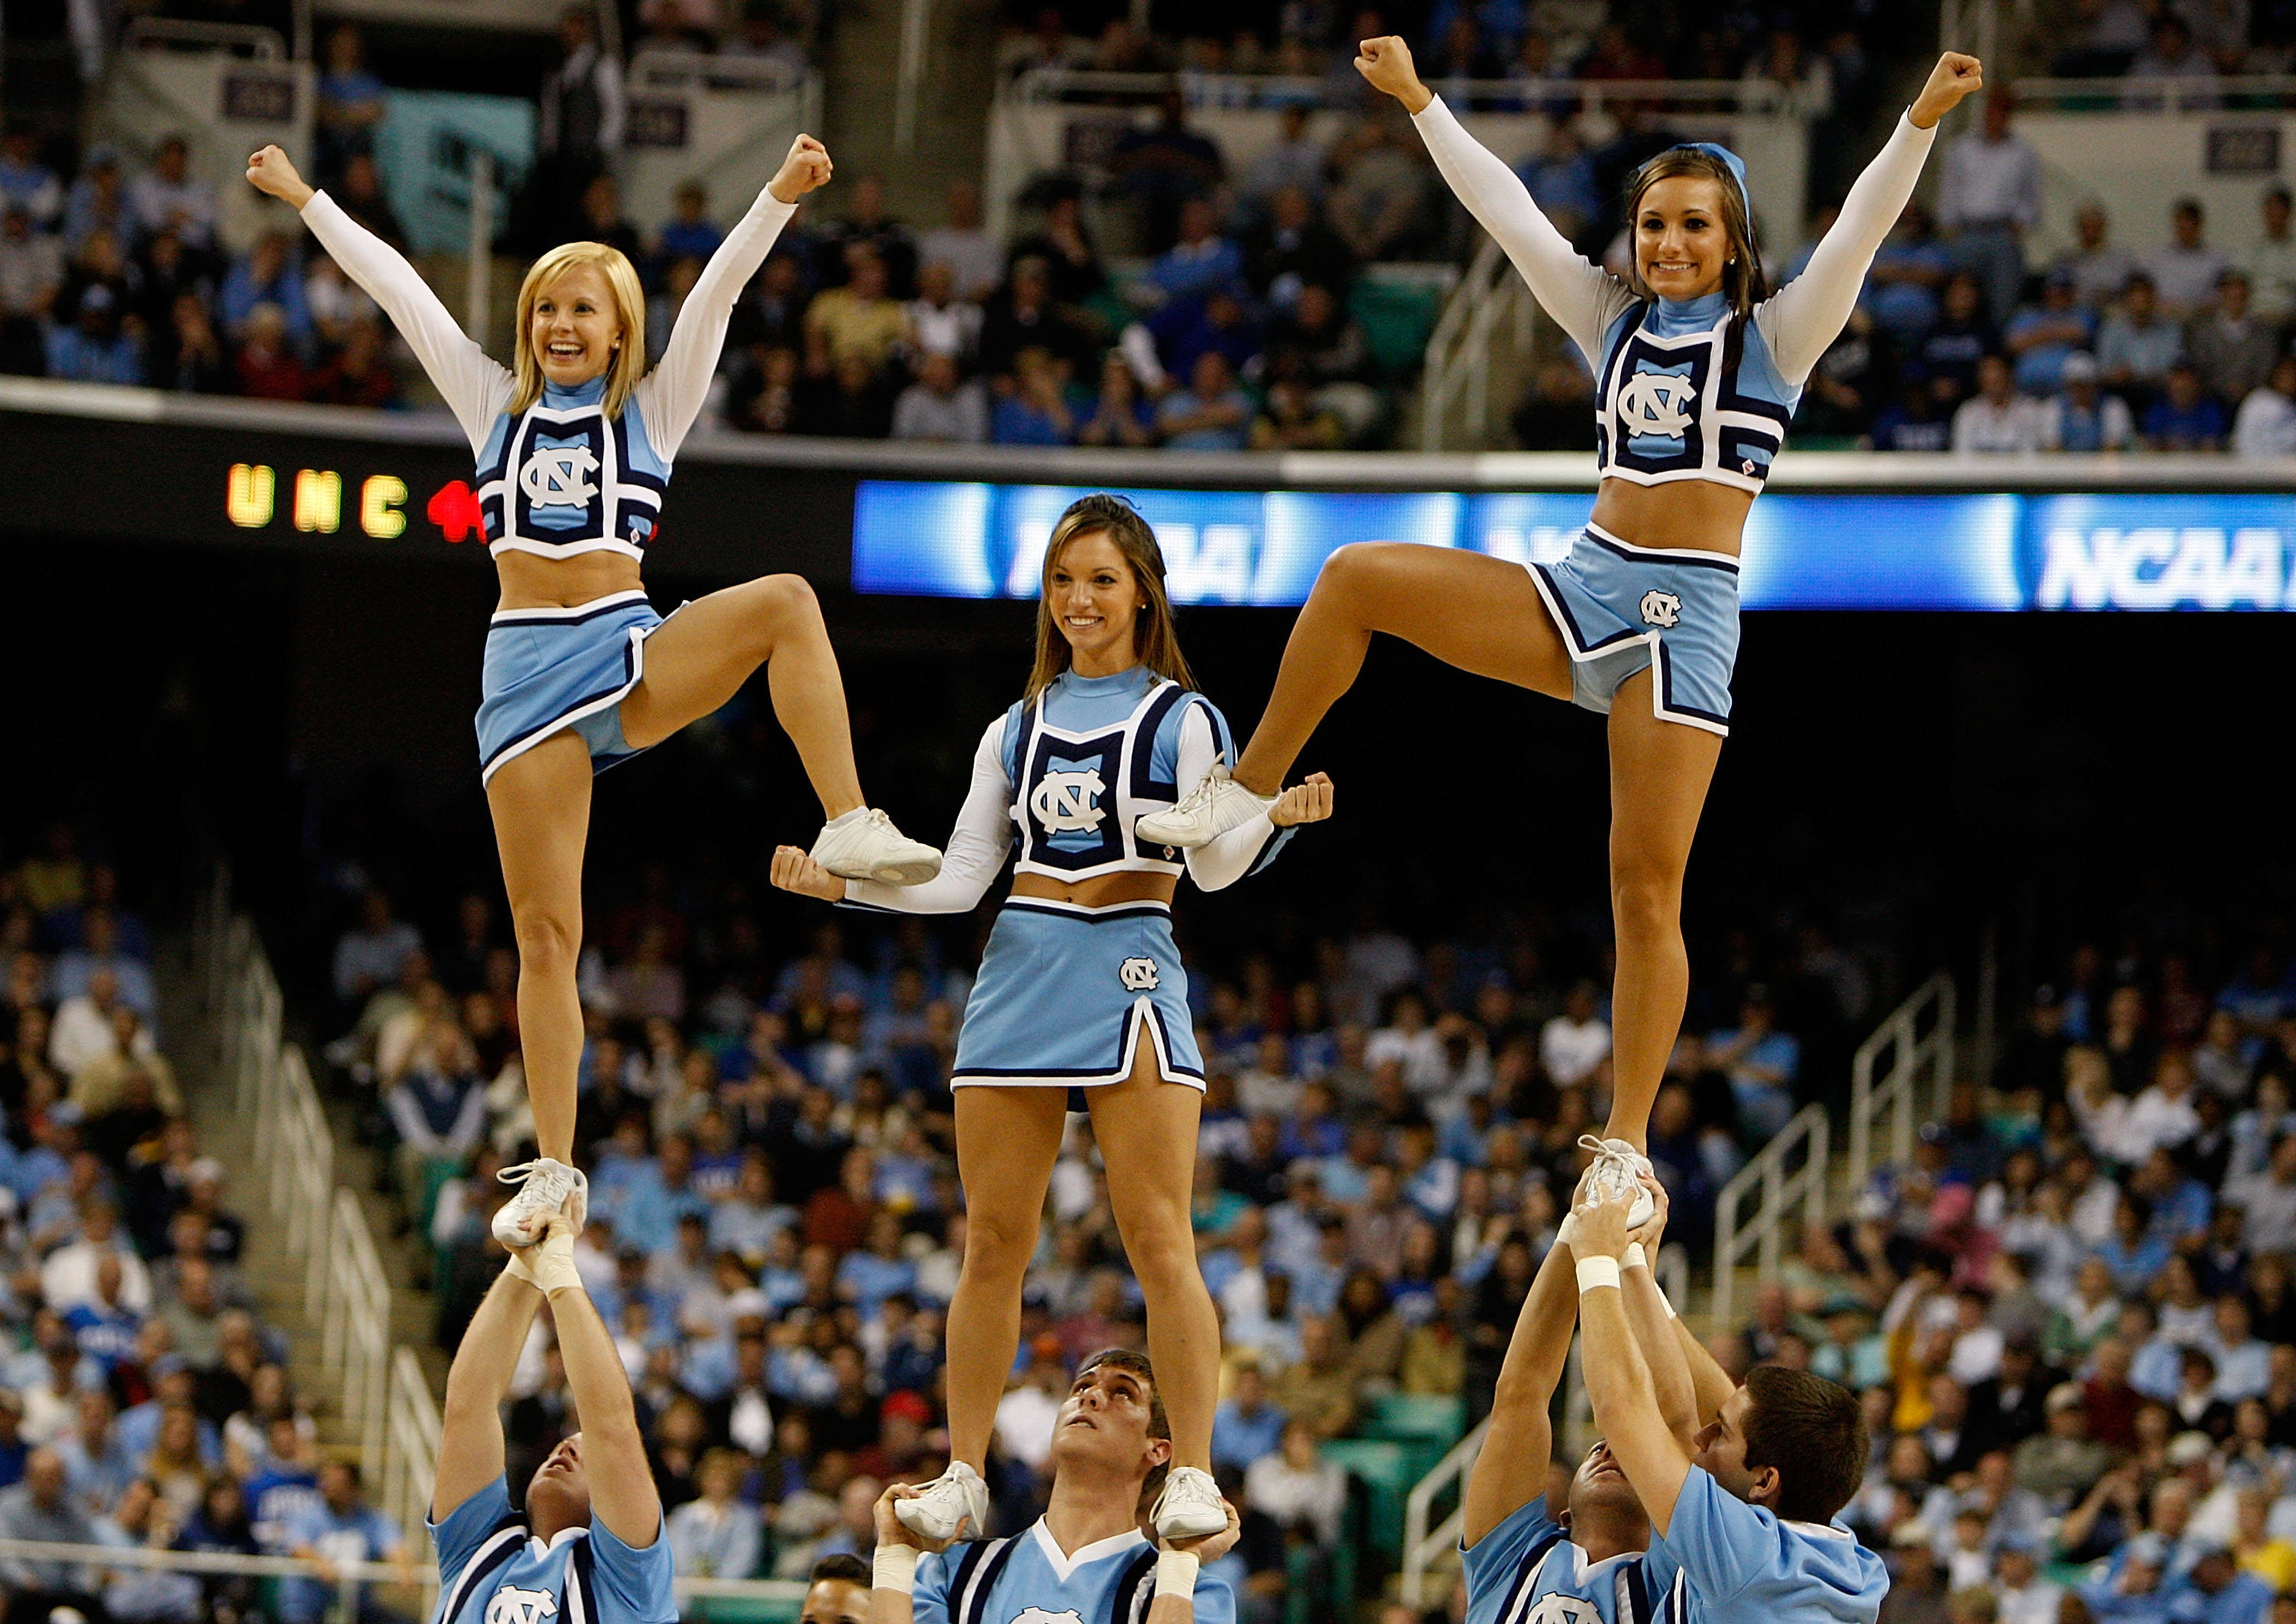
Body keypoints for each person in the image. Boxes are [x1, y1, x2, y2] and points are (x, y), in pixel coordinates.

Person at [1138, 34, 1985, 1221]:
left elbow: (1863, 226)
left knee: (1644, 891)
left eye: (1695, 225)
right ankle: (1245, 802)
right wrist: (1422, 102)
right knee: (1351, 577)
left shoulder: (1776, 340)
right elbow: (1506, 211)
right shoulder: (1607, 321)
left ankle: (1628, 1144)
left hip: (1682, 626)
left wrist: (1921, 118)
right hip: (1583, 587)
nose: (1671, 244)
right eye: (1653, 225)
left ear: (1733, 241)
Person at [244, 135, 941, 1248]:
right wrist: (306, 200)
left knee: (786, 604)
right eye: (546, 308)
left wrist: (777, 197)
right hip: (523, 674)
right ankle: (559, 1173)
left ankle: (851, 820)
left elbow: (715, 296)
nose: (561, 325)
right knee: (546, 934)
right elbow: (402, 291)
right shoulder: (489, 403)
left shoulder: (653, 413)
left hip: (626, 646)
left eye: (583, 308)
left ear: (621, 330)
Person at [769, 494, 1335, 1546]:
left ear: (1143, 591)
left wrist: (1272, 820)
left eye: (1103, 580)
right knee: (992, 1243)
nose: (1081, 599)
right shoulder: (1014, 726)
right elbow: (961, 879)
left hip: (1127, 965)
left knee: (1161, 1238)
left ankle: (1196, 1472)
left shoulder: (1185, 717)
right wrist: (840, 889)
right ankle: (965, 1470)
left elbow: (1209, 868)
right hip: (1018, 971)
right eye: (1065, 580)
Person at [1571, 1173, 1887, 1624]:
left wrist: (1594, 1260)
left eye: (1721, 1433)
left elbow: (1620, 1409)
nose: (1704, 1435)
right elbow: (1685, 1416)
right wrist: (1634, 1266)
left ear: (1764, 1481)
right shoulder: (1839, 1554)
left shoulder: (1747, 1556)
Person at [866, 1348, 1242, 1623]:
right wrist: (895, 1556)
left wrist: (1178, 1564)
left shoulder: (1188, 1591)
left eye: (1123, 1392)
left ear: (1158, 1449)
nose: (1090, 1397)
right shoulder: (956, 1571)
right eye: (1081, 1387)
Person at [425, 1211, 673, 1622]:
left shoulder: (631, 1581)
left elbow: (611, 1429)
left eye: (585, 1452)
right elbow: (469, 1405)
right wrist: (525, 1262)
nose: (568, 1449)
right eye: (567, 1442)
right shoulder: (479, 1547)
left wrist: (559, 1272)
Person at [1456, 1179, 1660, 1624]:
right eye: (1597, 1448)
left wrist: (1623, 1267)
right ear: (1564, 1514)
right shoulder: (1511, 1561)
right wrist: (1577, 1232)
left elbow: (1648, 1411)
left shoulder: (1677, 1584)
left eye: (1628, 1454)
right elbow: (1521, 1395)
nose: (1609, 1448)